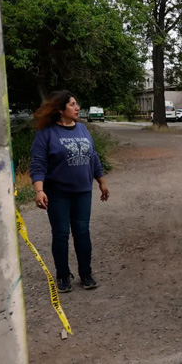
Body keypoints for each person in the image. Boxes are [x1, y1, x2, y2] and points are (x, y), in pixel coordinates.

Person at [30, 90, 109, 292]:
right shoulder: (46, 133)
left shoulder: (83, 129)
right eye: (72, 104)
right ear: (60, 109)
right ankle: (63, 276)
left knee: (83, 232)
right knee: (61, 234)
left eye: (76, 104)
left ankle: (86, 274)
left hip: (83, 191)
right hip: (58, 193)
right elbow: (38, 163)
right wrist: (39, 190)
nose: (77, 108)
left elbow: (93, 156)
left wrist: (101, 181)